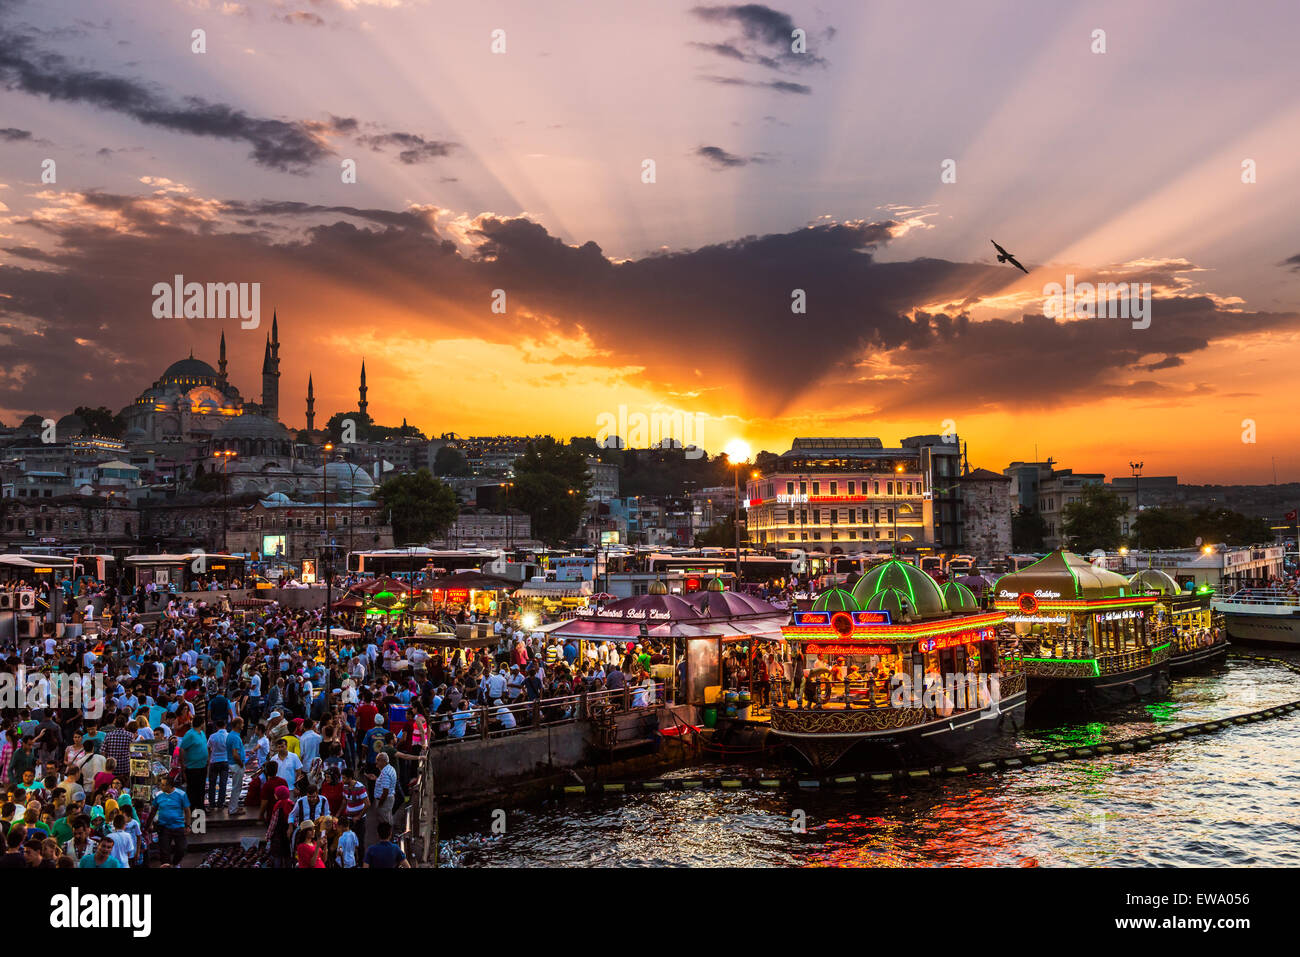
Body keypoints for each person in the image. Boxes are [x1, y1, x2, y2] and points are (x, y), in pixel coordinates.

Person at [151, 774, 190, 866]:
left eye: (163, 785)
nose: (161, 786)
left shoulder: (181, 794)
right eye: (161, 784)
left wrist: (188, 825)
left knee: (181, 848)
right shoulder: (159, 795)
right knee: (164, 851)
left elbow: (187, 811)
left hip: (178, 826)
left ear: (170, 786)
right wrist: (149, 823)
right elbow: (153, 810)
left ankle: (176, 863)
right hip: (163, 827)